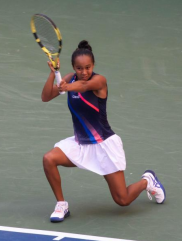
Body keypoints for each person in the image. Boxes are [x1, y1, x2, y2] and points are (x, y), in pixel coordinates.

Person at [41, 40, 166, 223]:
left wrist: (66, 87)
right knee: (48, 159)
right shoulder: (69, 78)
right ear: (73, 67)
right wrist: (53, 74)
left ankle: (147, 181)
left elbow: (84, 87)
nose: (84, 72)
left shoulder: (99, 81)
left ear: (93, 65)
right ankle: (61, 204)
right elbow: (45, 97)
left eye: (88, 67)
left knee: (122, 200)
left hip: (104, 145)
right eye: (79, 68)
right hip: (81, 143)